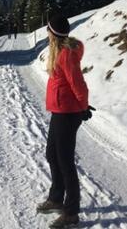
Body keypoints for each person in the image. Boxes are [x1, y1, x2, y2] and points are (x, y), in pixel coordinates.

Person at [37, 17, 92, 228]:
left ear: (54, 33)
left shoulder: (66, 54)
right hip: (59, 110)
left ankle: (71, 212)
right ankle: (56, 198)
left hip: (68, 113)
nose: (46, 32)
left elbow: (78, 82)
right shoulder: (56, 51)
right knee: (52, 155)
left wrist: (83, 107)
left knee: (65, 162)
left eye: (48, 29)